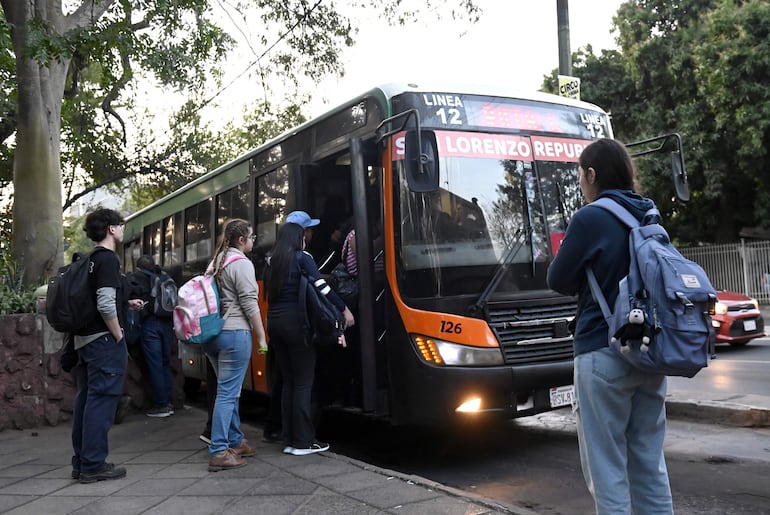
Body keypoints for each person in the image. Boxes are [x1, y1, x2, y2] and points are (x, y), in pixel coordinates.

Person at [547, 138, 673, 514]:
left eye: (581, 178)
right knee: (650, 464)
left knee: (608, 470)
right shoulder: (648, 213)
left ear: (591, 174)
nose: (582, 187)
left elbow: (558, 279)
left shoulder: (589, 218)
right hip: (650, 351)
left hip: (602, 351)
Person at [264, 221, 355, 456]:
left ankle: (289, 438)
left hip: (274, 324)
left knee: (288, 383)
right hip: (297, 325)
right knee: (304, 383)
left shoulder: (272, 261)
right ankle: (303, 441)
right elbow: (322, 288)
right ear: (299, 238)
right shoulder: (302, 257)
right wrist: (343, 309)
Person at [71, 208, 144, 484]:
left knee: (86, 400)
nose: (123, 229)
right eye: (121, 225)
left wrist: (126, 303)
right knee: (101, 402)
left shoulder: (88, 259)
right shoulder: (108, 260)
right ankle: (93, 464)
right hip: (103, 340)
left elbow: (99, 297)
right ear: (112, 229)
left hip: (85, 340)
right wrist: (118, 335)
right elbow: (103, 303)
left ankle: (81, 462)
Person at [202, 218, 268, 471]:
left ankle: (235, 440)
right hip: (234, 333)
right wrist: (261, 336)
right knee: (228, 393)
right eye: (252, 238)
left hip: (212, 335)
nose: (253, 241)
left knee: (227, 390)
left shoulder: (216, 261)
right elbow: (250, 304)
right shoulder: (241, 263)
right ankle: (219, 450)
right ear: (241, 240)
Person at [132, 255, 175, 418]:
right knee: (165, 363)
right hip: (167, 323)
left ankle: (161, 404)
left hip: (150, 324)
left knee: (155, 364)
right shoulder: (164, 276)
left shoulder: (138, 277)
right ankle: (170, 402)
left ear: (138, 268)